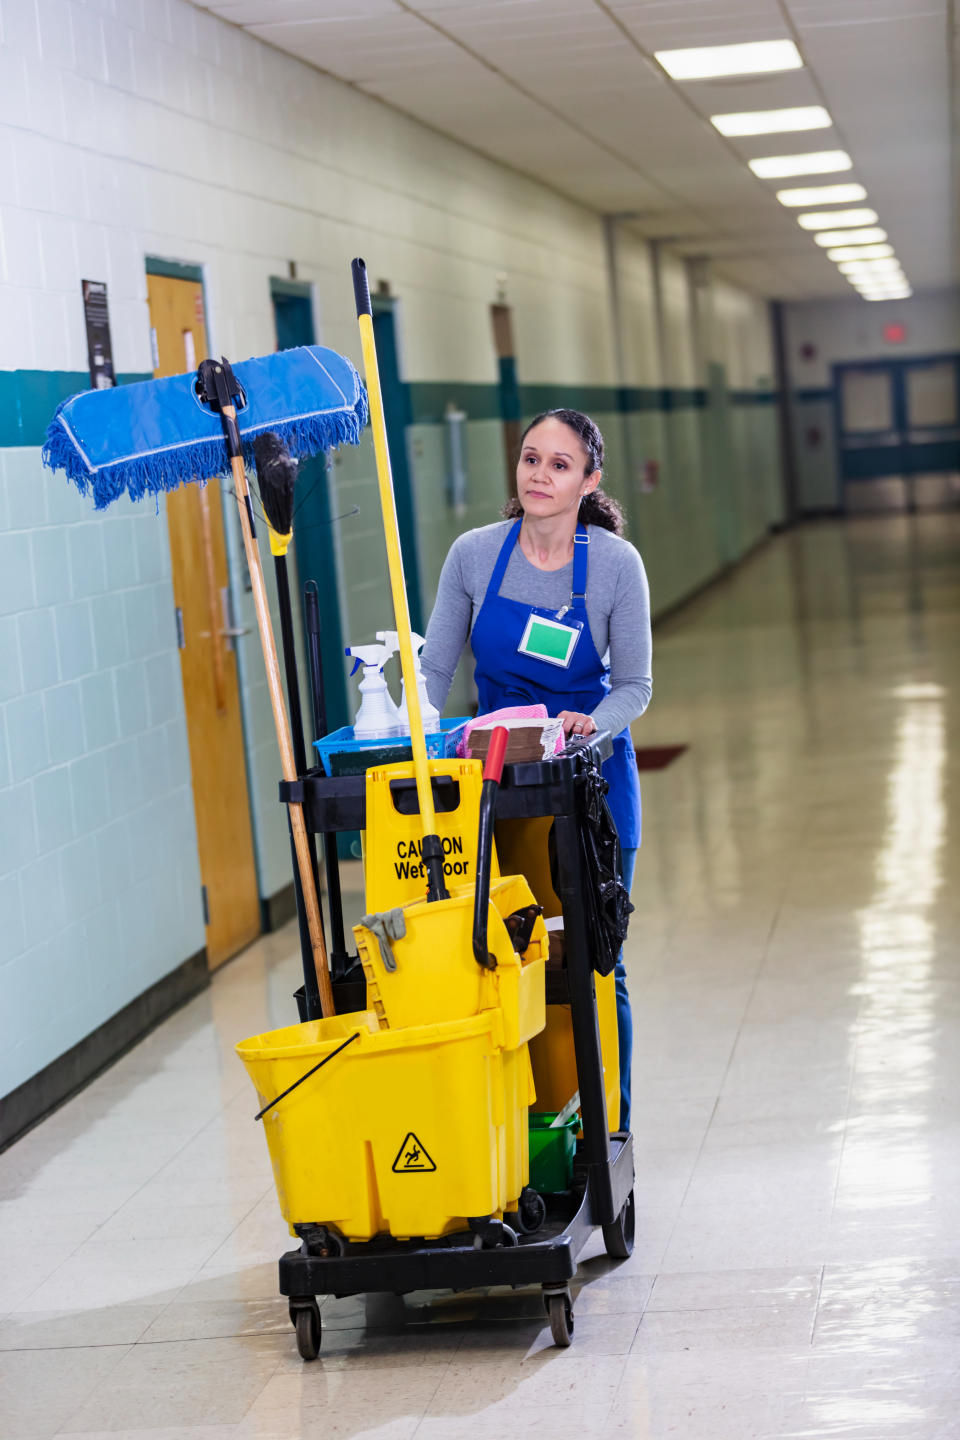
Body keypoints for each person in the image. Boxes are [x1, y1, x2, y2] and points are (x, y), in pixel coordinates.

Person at [420, 408, 652, 1130]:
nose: (540, 476)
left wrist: (593, 725)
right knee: (511, 961)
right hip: (504, 798)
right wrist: (415, 734)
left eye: (559, 464)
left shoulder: (615, 564)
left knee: (592, 958)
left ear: (589, 480)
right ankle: (528, 1126)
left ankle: (607, 1129)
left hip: (593, 794)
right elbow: (433, 672)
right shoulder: (474, 555)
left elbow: (635, 688)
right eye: (530, 460)